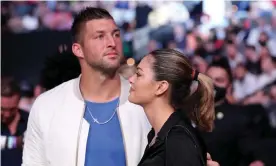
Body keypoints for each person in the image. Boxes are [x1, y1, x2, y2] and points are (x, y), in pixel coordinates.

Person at [22, 7, 219, 166]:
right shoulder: (47, 106)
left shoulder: (148, 106)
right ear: (78, 49)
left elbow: (181, 148)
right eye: (99, 36)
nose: (111, 42)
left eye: (116, 34)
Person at [129, 49, 215, 165]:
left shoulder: (178, 141)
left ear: (161, 87)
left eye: (139, 74)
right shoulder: (159, 136)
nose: (131, 79)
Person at [201, 58, 271, 166]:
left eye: (219, 80)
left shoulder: (238, 118)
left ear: (229, 86)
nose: (212, 84)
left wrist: (258, 160)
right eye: (208, 79)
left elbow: (252, 148)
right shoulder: (185, 112)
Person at [1, 76, 29, 166]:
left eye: (12, 109)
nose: (7, 114)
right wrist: (17, 141)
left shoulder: (31, 121)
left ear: (19, 100)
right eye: (2, 109)